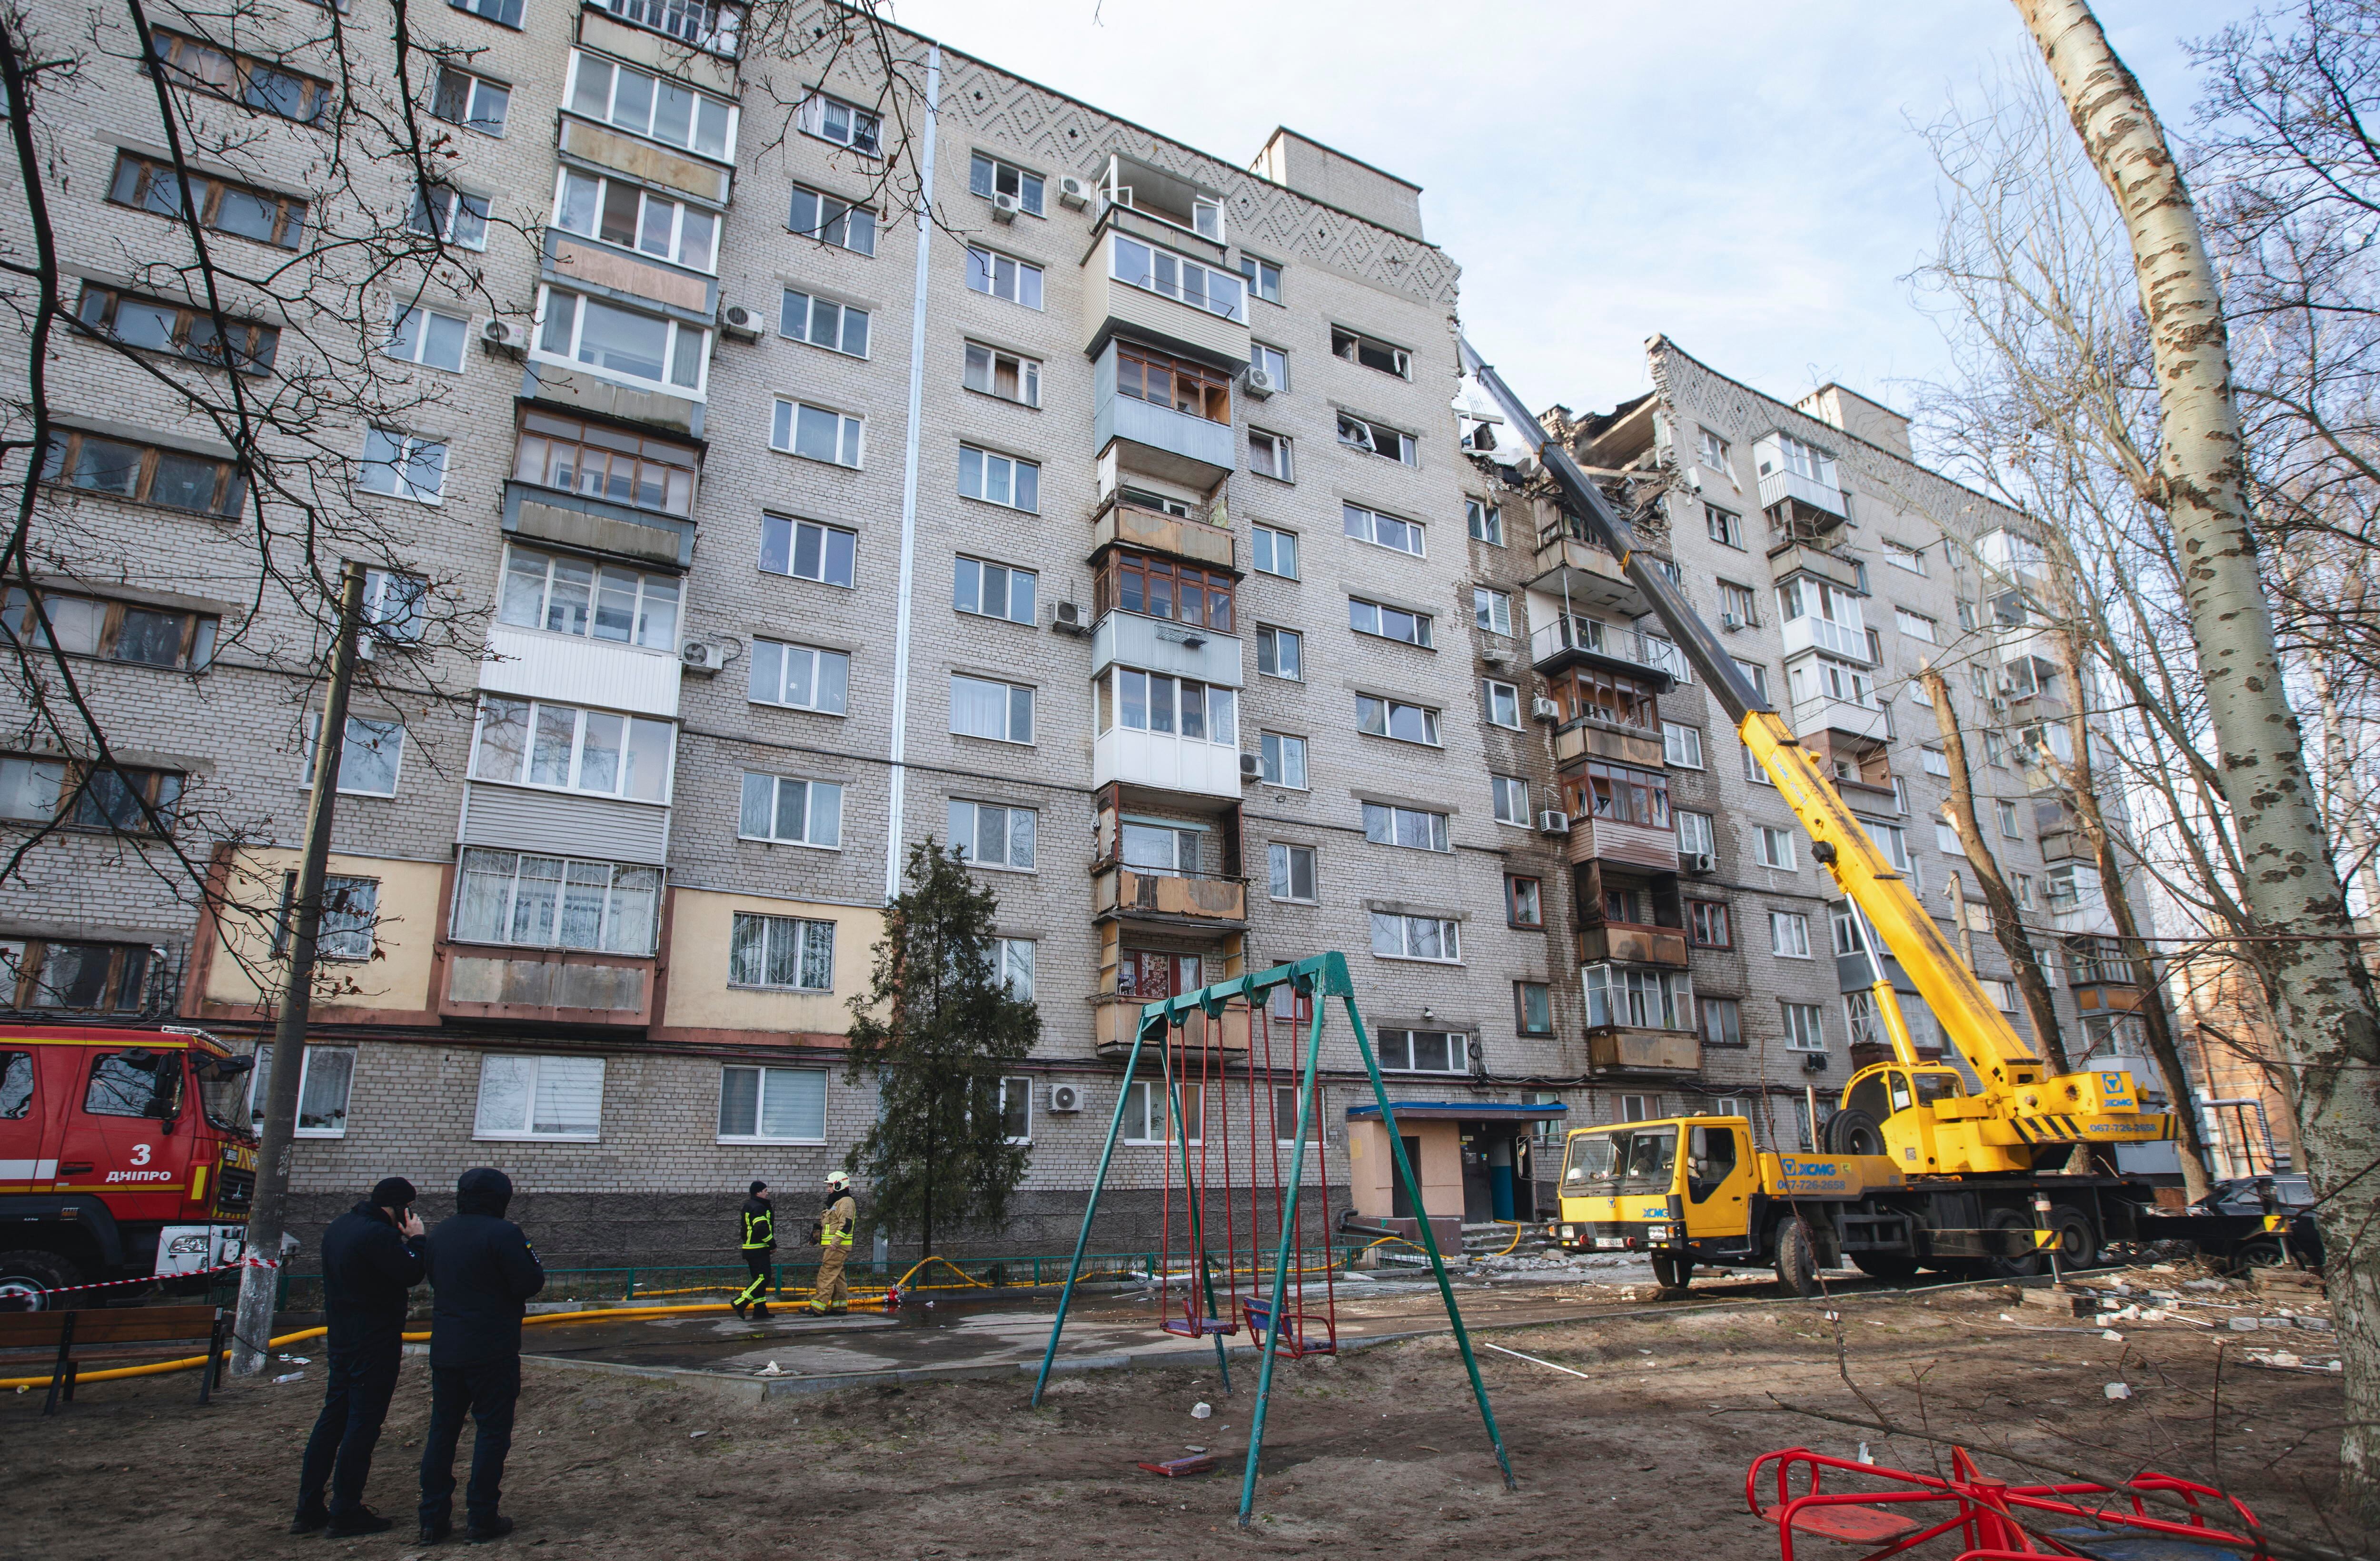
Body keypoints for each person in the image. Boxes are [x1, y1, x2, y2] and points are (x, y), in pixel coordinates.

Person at [292, 1176, 426, 1537]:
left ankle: (308, 1508)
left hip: (342, 1337)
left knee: (332, 1418)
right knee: (363, 1425)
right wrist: (418, 1240)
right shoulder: (377, 1234)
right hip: (374, 1340)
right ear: (398, 1208)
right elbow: (411, 1272)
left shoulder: (340, 1226)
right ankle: (346, 1510)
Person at [417, 1167, 545, 1545]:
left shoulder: (440, 1233)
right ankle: (482, 1517)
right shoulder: (504, 1234)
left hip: (446, 1349)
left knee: (442, 1432)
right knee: (491, 1433)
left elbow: (435, 1279)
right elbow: (529, 1282)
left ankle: (432, 1519)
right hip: (492, 1350)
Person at [807, 1170, 857, 1315]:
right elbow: (831, 1224)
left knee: (826, 1275)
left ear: (839, 1185)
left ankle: (817, 1308)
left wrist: (835, 1243)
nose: (828, 1189)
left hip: (837, 1247)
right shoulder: (837, 1201)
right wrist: (817, 1236)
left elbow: (846, 1225)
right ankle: (839, 1307)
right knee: (838, 1277)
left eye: (830, 1186)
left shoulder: (845, 1202)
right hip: (834, 1246)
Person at [733, 1180, 775, 1320]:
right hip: (758, 1248)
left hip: (751, 1248)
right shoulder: (758, 1207)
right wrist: (772, 1244)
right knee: (764, 1278)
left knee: (758, 1279)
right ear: (758, 1192)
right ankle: (740, 1302)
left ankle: (760, 1311)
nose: (767, 1193)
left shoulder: (749, 1205)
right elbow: (761, 1228)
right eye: (765, 1191)